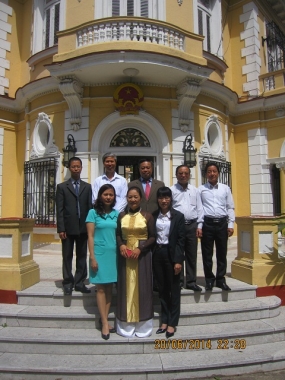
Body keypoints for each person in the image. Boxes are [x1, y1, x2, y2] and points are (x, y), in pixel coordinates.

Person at [116, 186, 155, 338]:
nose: (132, 200)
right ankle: (125, 326)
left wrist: (141, 248)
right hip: (125, 256)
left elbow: (153, 236)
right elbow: (118, 234)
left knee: (143, 288)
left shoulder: (147, 216)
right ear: (126, 198)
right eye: (130, 197)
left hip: (142, 257)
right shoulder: (121, 216)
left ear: (141, 198)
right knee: (125, 289)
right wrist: (121, 245)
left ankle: (143, 326)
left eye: (135, 197)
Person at [86, 184, 118, 340]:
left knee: (110, 288)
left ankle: (104, 318)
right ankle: (105, 322)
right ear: (100, 196)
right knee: (100, 289)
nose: (108, 197)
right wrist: (92, 256)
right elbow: (90, 236)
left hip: (113, 255)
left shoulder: (117, 214)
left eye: (111, 194)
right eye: (105, 194)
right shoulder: (92, 213)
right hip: (99, 254)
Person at [56, 157, 92, 295]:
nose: (76, 169)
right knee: (67, 255)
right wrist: (61, 228)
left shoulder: (87, 187)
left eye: (78, 166)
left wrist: (90, 227)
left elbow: (90, 209)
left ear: (81, 168)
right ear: (69, 168)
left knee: (82, 255)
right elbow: (59, 210)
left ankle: (79, 282)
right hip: (67, 228)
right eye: (73, 166)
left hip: (83, 228)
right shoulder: (62, 187)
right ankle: (67, 282)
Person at [152, 187, 185, 339]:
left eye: (167, 198)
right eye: (161, 198)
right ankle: (164, 320)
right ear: (157, 199)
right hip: (158, 254)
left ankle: (172, 322)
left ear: (171, 199)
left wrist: (178, 260)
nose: (164, 201)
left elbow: (180, 240)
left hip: (172, 255)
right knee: (162, 289)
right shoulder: (153, 216)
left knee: (174, 289)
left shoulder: (178, 216)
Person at [198, 162, 235, 291]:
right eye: (209, 171)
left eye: (214, 171)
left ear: (218, 173)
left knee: (222, 253)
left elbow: (230, 207)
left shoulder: (225, 189)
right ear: (206, 174)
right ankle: (209, 279)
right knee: (207, 254)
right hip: (207, 223)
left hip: (221, 224)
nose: (212, 173)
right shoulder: (201, 189)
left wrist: (230, 224)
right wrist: (200, 226)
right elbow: (200, 209)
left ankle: (220, 279)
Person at [170, 165, 204, 291]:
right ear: (176, 175)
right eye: (180, 173)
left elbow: (200, 208)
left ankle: (191, 281)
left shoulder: (195, 190)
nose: (183, 175)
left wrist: (199, 225)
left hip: (192, 225)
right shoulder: (171, 190)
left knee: (191, 254)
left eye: (185, 173)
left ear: (189, 175)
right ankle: (178, 281)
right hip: (178, 227)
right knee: (178, 254)